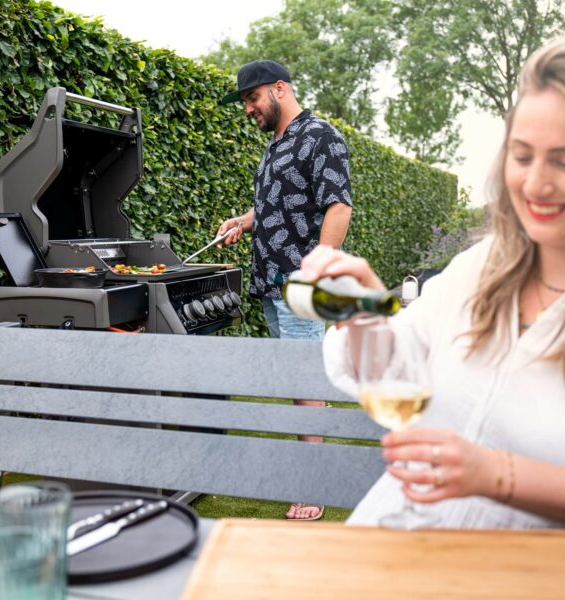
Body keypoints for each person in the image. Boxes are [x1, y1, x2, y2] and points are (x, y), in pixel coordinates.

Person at [300, 36, 565, 528]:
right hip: (393, 535)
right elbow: (399, 365)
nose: (536, 184)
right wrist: (365, 307)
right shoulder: (482, 265)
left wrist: (496, 474)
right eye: (523, 156)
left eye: (563, 160)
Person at [218, 60, 353, 521]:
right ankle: (314, 426)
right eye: (245, 103)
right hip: (270, 283)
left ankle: (312, 487)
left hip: (299, 282)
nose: (248, 109)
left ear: (279, 89)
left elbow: (338, 205)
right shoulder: (275, 145)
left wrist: (317, 269)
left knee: (303, 382)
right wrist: (243, 221)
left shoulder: (320, 136)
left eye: (253, 99)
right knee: (301, 380)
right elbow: (275, 205)